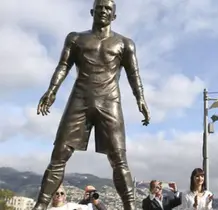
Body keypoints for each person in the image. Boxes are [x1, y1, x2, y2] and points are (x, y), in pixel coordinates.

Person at [32, 0, 150, 209]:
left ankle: (130, 206)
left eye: (108, 9)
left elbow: (134, 74)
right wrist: (52, 90)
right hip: (80, 99)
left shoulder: (125, 43)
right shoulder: (76, 38)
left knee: (119, 158)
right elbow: (63, 66)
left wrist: (140, 98)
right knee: (59, 154)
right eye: (100, 7)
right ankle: (41, 205)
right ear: (91, 11)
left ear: (114, 16)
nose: (103, 11)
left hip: (110, 101)